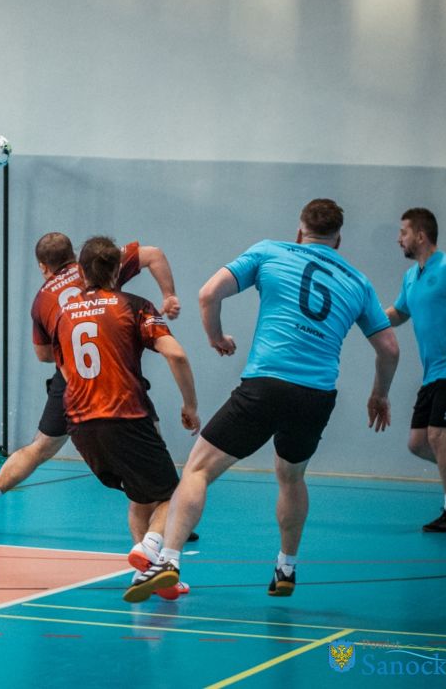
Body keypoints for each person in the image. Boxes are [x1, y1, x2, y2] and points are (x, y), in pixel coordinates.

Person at [124, 199, 400, 603]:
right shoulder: (357, 281)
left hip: (266, 385)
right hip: (316, 396)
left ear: (300, 231)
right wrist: (379, 394)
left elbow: (208, 294)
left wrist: (216, 337)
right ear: (338, 239)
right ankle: (286, 567)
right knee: (291, 476)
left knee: (198, 469)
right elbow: (389, 348)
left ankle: (168, 560)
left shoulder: (271, 251)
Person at [0, 233, 199, 542]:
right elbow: (154, 254)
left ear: (43, 267)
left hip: (72, 380)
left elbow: (44, 355)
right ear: (76, 259)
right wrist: (169, 295)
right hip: (114, 375)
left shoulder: (43, 299)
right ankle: (160, 517)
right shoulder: (104, 263)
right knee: (145, 436)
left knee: (39, 448)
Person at [51, 236, 200, 599]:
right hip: (124, 416)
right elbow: (177, 355)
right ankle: (150, 548)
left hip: (80, 425)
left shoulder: (63, 314)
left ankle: (144, 575)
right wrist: (190, 405)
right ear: (118, 269)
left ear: (80, 271)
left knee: (140, 495)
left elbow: (65, 369)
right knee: (176, 495)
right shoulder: (133, 306)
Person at [384, 208, 446, 532]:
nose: (398, 239)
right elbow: (399, 313)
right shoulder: (411, 277)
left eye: (403, 232)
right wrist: (362, 315)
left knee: (438, 436)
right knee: (418, 443)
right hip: (432, 373)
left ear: (420, 235)